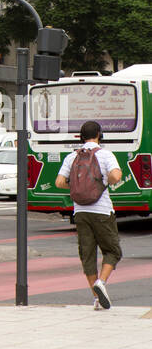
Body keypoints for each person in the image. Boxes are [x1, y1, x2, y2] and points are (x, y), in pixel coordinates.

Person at [55, 120, 122, 309]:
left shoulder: (72, 157)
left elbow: (59, 182)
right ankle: (101, 282)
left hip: (81, 212)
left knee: (88, 255)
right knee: (113, 251)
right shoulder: (105, 155)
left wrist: (78, 186)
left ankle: (96, 299)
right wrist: (102, 183)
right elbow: (116, 176)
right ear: (99, 135)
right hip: (101, 210)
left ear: (81, 137)